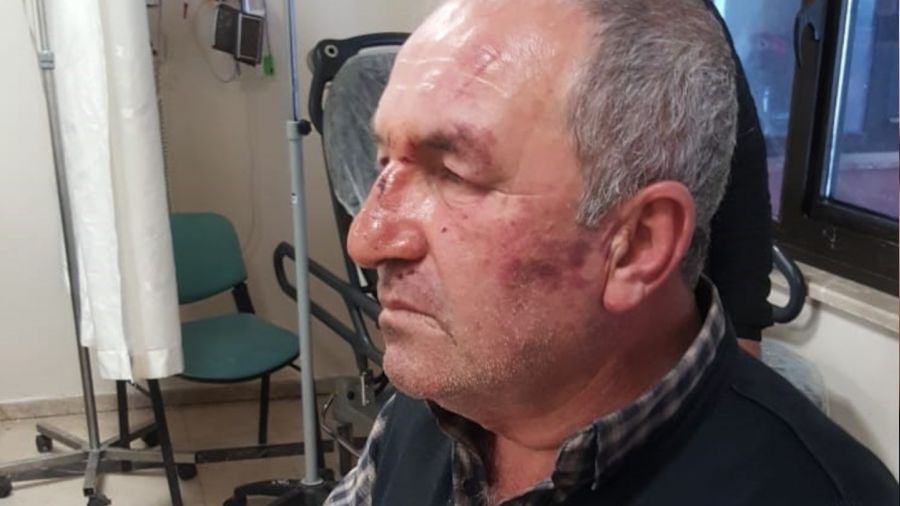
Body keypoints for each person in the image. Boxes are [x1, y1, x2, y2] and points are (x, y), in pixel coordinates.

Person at [327, 0, 899, 504]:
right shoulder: (443, 398)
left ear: (637, 245)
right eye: (384, 162)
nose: (366, 239)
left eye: (452, 174)